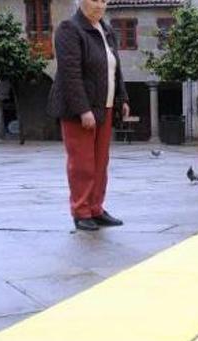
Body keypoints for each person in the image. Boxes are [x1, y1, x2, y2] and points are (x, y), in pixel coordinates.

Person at [48, 0, 130, 231]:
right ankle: (81, 210)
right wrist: (83, 109)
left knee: (100, 163)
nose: (100, 5)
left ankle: (96, 208)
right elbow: (70, 74)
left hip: (104, 105)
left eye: (104, 1)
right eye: (95, 0)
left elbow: (115, 69)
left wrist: (122, 99)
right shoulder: (69, 29)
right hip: (80, 109)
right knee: (82, 163)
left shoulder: (106, 30)